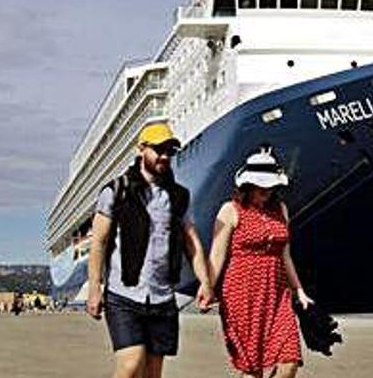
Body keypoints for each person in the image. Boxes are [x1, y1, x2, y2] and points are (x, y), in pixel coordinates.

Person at [86, 122, 212, 378]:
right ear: (141, 149)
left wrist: (206, 282)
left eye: (170, 151)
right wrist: (94, 288)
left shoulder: (178, 196)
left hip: (162, 297)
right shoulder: (116, 190)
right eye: (158, 150)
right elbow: (98, 242)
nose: (165, 156)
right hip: (124, 295)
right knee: (131, 365)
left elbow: (191, 242)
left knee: (153, 374)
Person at [205, 148, 313, 378]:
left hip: (278, 293)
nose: (266, 192)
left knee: (289, 361)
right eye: (260, 187)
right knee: (252, 368)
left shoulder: (280, 210)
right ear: (247, 186)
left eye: (270, 187)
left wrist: (300, 291)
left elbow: (285, 255)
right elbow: (217, 255)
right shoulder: (230, 210)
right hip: (242, 294)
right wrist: (207, 287)